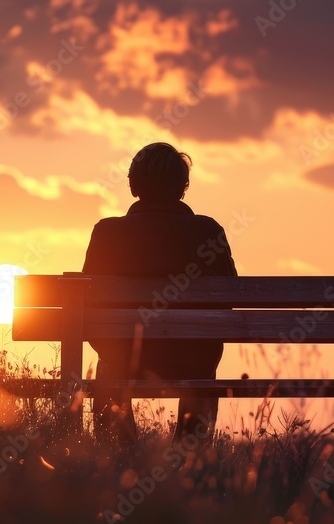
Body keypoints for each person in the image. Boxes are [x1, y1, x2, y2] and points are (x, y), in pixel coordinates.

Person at [82, 142, 237, 445]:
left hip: (123, 358)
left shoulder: (108, 233)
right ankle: (189, 455)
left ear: (133, 185)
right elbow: (229, 301)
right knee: (203, 367)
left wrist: (113, 348)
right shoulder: (207, 232)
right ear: (183, 186)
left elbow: (88, 307)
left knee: (109, 367)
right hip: (193, 361)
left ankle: (119, 454)